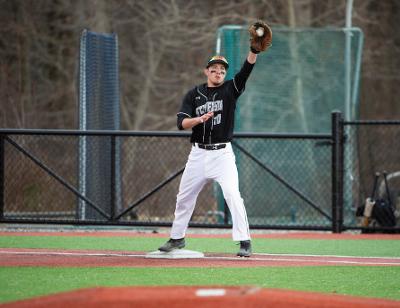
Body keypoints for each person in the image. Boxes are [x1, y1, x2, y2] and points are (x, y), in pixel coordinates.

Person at [158, 25, 270, 257]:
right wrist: (198, 119)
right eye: (214, 69)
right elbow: (181, 123)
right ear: (206, 71)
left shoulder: (231, 89)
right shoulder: (194, 94)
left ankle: (244, 241)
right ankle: (177, 238)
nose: (218, 72)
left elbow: (245, 71)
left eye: (222, 70)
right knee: (184, 197)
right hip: (198, 154)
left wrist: (253, 51)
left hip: (222, 154)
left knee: (231, 194)